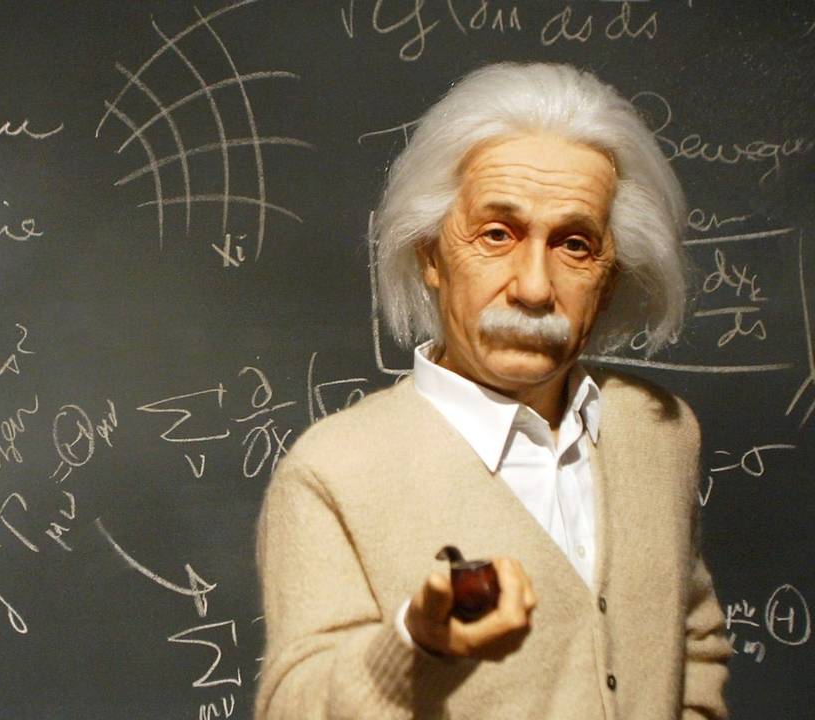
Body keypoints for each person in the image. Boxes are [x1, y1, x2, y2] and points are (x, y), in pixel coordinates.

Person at [254, 63, 731, 719]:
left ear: (612, 275)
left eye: (574, 244)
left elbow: (695, 641)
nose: (533, 287)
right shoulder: (332, 472)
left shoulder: (660, 431)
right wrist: (417, 645)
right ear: (430, 253)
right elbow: (292, 708)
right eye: (497, 234)